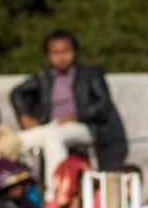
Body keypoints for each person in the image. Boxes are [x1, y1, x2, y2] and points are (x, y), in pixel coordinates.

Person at [11, 29, 126, 174]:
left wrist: (77, 116)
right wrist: (24, 116)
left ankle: (57, 193)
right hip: (51, 126)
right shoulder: (44, 77)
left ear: (75, 52)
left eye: (66, 51)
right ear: (48, 55)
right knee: (12, 143)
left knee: (55, 137)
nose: (61, 57)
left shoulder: (90, 74)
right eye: (56, 53)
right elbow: (16, 92)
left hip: (85, 127)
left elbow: (103, 103)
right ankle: (22, 191)